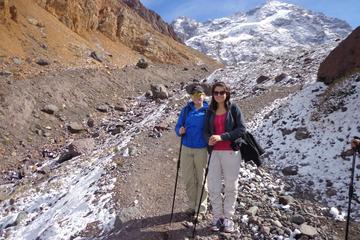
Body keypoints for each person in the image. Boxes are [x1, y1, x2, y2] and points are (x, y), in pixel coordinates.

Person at [204, 81, 246, 233]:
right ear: (213, 94)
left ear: (227, 93)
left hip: (231, 152)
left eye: (222, 92)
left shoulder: (233, 108)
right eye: (216, 92)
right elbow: (205, 131)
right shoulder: (210, 111)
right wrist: (208, 138)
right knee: (213, 186)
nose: (219, 95)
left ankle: (227, 218)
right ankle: (217, 217)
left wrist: (222, 137)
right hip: (214, 152)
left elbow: (242, 129)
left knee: (230, 186)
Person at [175, 85, 209, 220]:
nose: (198, 97)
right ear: (192, 97)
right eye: (195, 95)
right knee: (189, 179)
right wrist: (179, 131)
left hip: (201, 148)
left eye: (200, 94)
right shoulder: (186, 110)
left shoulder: (208, 111)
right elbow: (178, 126)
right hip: (186, 147)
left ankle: (201, 209)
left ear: (204, 96)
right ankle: (192, 205)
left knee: (201, 179)